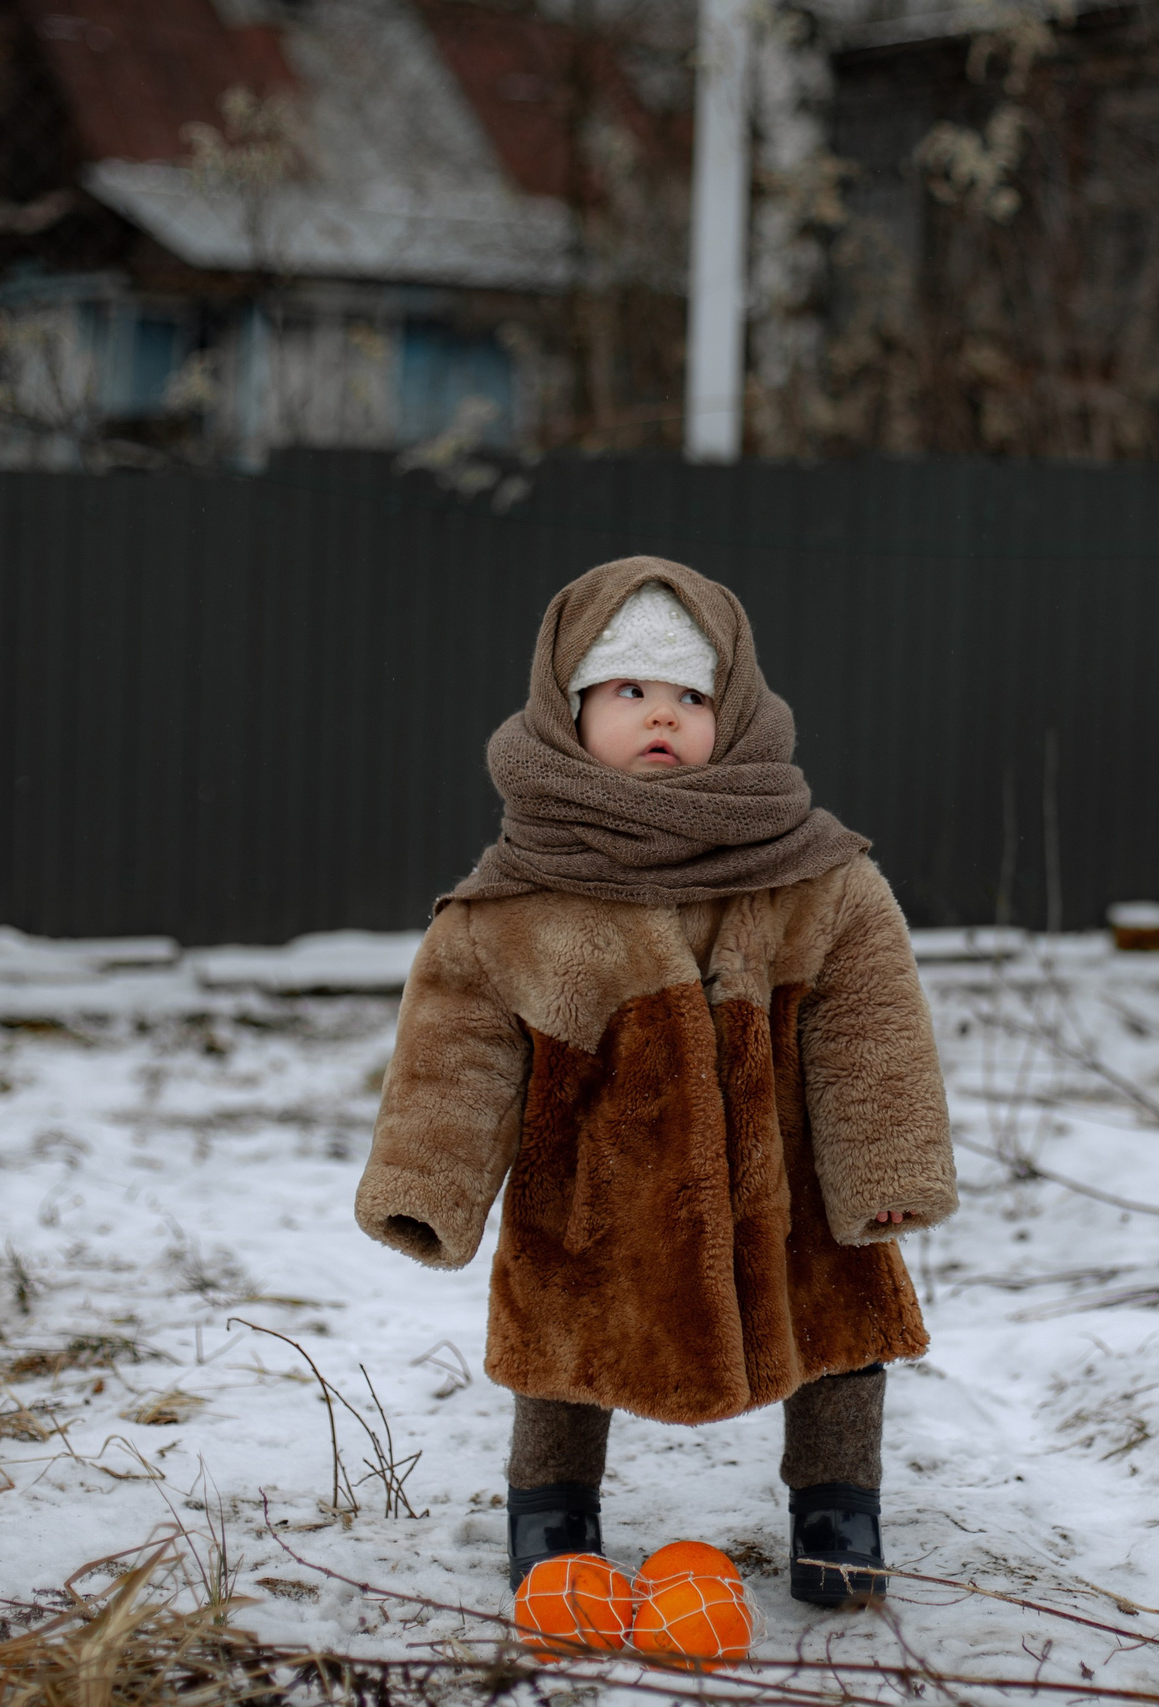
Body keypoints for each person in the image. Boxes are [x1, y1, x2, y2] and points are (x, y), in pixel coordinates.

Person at [354, 556, 958, 1607]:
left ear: (737, 710)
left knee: (836, 1323)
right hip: (594, 1182)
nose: (662, 716)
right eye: (630, 690)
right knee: (564, 1335)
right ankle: (551, 1513)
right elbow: (456, 1051)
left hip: (794, 1179)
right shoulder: (516, 899)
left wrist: (885, 1161)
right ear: (569, 706)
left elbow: (871, 1022)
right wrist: (428, 1186)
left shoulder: (817, 874)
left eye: (691, 695)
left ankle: (837, 1511)